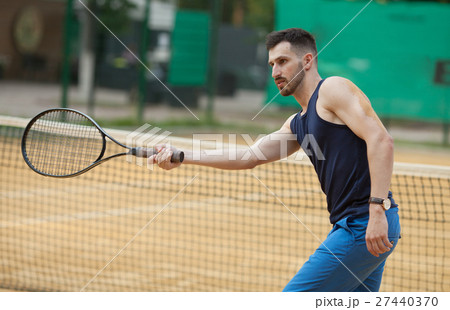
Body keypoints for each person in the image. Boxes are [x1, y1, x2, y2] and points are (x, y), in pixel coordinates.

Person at [150, 28, 401, 292]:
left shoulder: (332, 89)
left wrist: (376, 210)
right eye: (271, 64)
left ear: (307, 61)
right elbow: (248, 156)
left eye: (282, 62)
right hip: (356, 226)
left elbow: (381, 140)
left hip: (363, 225)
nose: (275, 73)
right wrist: (183, 155)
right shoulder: (297, 123)